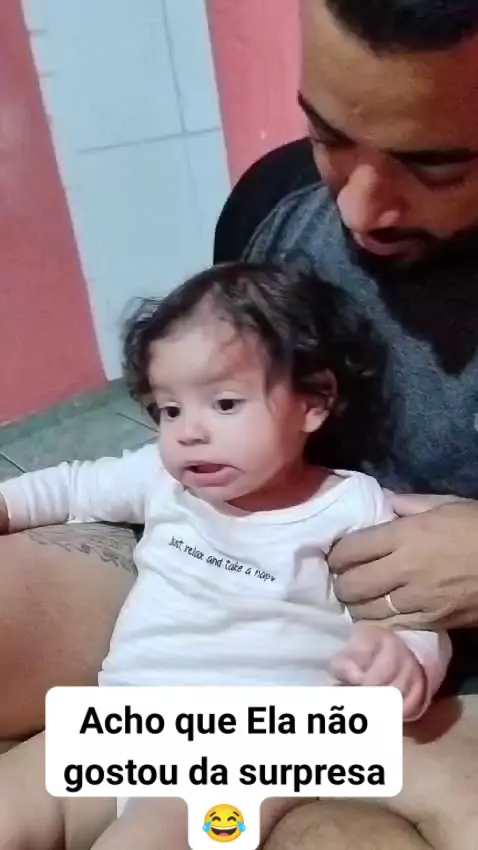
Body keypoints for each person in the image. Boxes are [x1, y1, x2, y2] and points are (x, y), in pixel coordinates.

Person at [2, 1, 478, 847]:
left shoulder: (352, 506)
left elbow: (408, 630)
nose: (359, 207)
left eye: (434, 166)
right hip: (152, 674)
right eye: (328, 136)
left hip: (302, 711)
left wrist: (405, 658)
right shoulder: (278, 216)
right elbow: (89, 478)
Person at [0, 263, 453, 850]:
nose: (189, 431)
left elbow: (414, 607)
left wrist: (407, 662)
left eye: (224, 403)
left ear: (313, 401)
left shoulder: (351, 505)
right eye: (169, 410)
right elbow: (71, 487)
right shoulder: (163, 478)